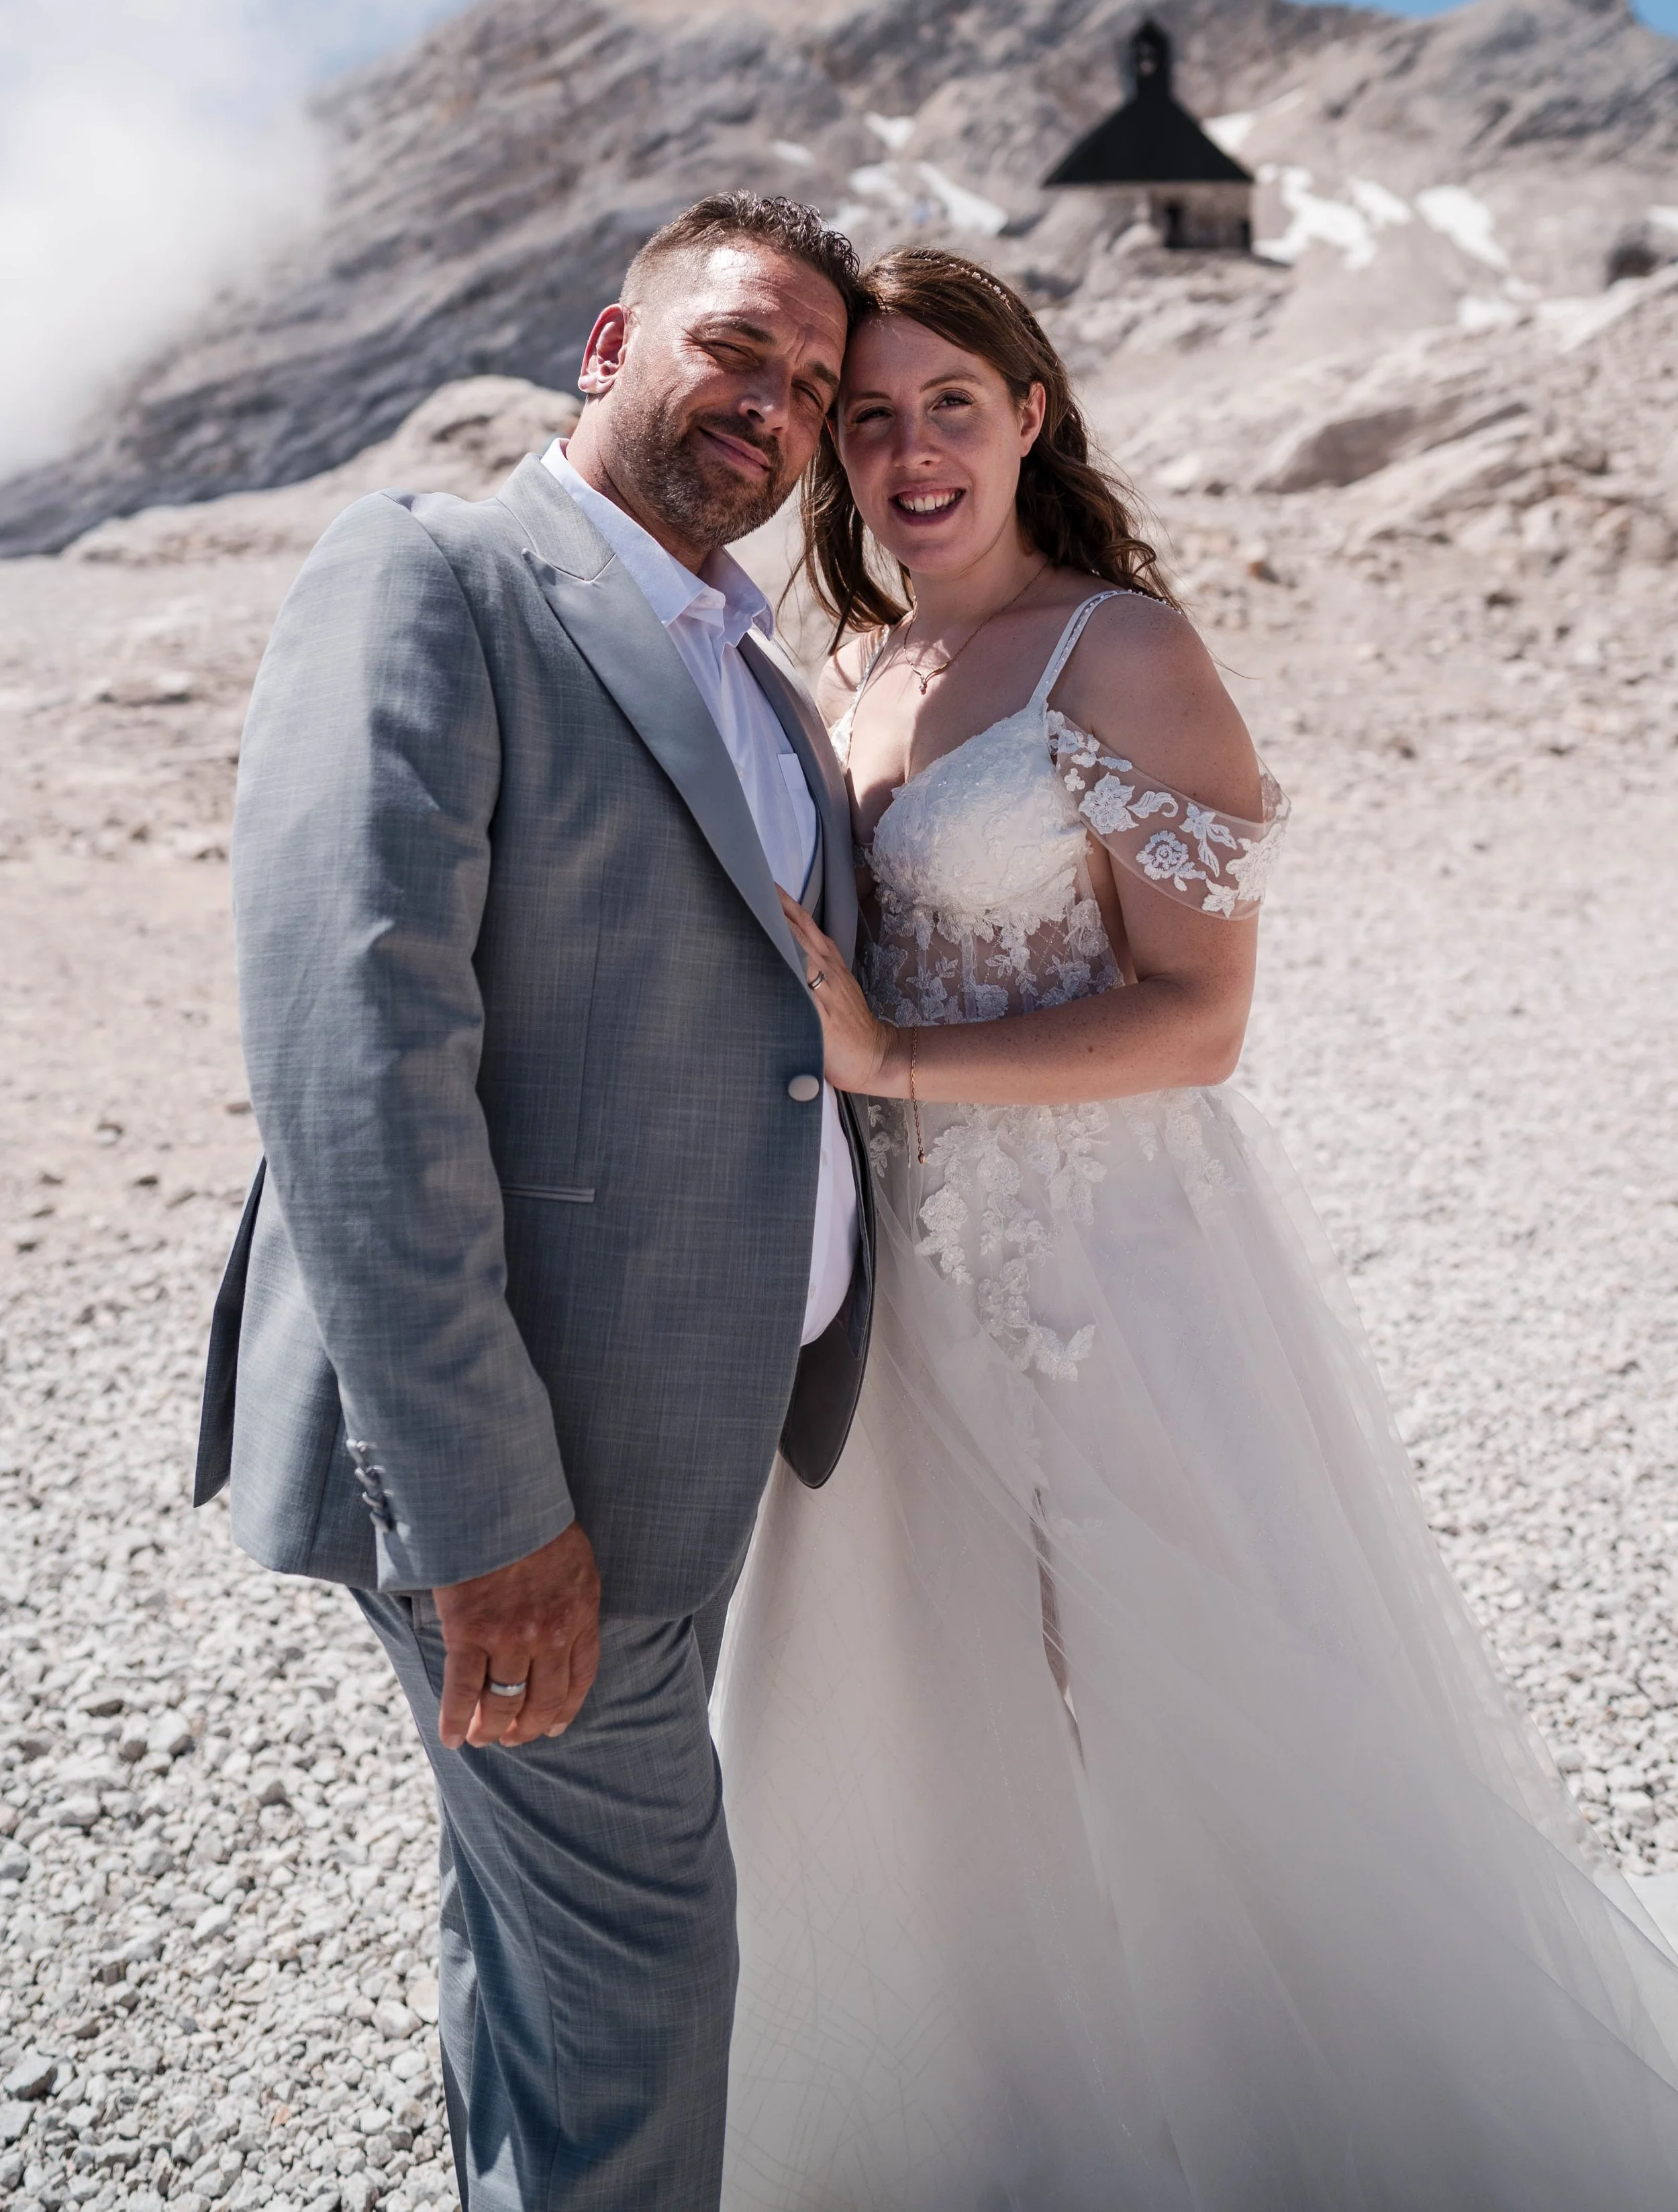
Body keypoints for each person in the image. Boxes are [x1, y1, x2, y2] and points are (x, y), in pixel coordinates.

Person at [713, 246, 1678, 2209]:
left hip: (1101, 1274)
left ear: (1030, 415)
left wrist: (890, 1056)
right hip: (889, 1295)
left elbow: (1198, 1020)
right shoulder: (852, 668)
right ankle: (1012, 2122)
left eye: (951, 408)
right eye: (871, 416)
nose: (910, 452)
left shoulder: (1118, 653)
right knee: (933, 1721)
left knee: (1156, 1704)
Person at [192, 194, 876, 2211]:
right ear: (608, 339)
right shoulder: (436, 576)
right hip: (519, 1468)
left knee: (548, 1953)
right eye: (740, 348)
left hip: (673, 1441)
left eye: (815, 388)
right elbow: (354, 1053)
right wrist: (487, 1516)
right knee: (645, 1980)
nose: (776, 404)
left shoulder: (750, 677)